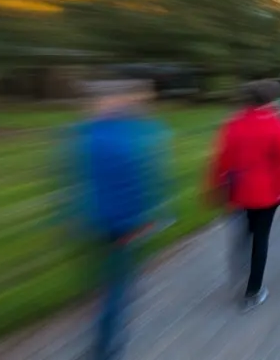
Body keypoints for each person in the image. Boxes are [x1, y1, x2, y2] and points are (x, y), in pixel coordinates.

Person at [63, 80, 168, 360]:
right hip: (122, 224)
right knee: (116, 289)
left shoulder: (80, 133)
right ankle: (105, 350)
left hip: (90, 219)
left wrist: (68, 216)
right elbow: (146, 180)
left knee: (99, 283)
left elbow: (71, 179)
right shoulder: (138, 135)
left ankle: (100, 338)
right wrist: (147, 218)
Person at [209, 80, 280, 311]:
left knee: (242, 235)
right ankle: (253, 290)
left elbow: (221, 158)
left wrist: (215, 187)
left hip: (239, 190)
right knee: (260, 239)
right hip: (267, 193)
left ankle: (239, 275)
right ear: (271, 99)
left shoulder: (233, 123)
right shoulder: (278, 124)